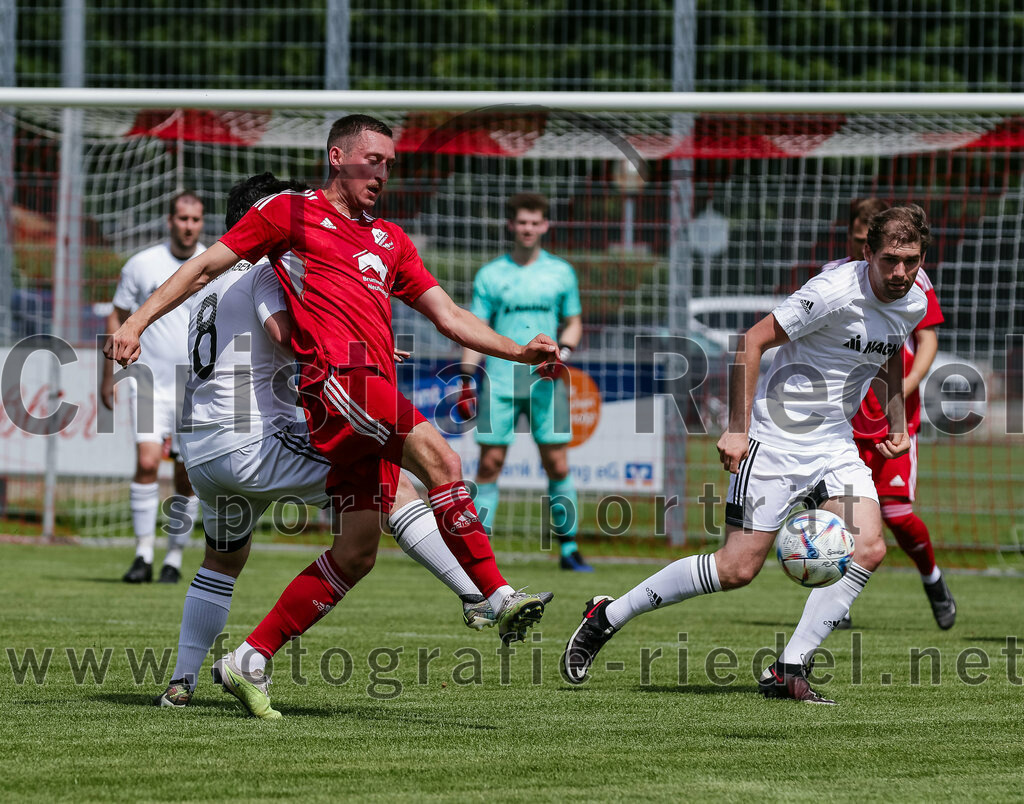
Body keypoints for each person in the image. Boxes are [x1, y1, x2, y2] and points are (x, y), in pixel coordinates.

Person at [107, 115, 559, 719]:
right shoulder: (282, 231)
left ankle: (231, 665)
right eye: (373, 158)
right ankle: (487, 593)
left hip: (206, 447)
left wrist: (518, 350)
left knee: (353, 548)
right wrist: (134, 322)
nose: (383, 171)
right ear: (337, 156)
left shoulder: (390, 240)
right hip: (311, 405)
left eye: (390, 162)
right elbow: (277, 322)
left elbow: (448, 315)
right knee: (433, 465)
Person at [563, 205, 931, 705]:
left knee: (868, 548)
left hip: (833, 445)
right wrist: (738, 429)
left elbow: (887, 351)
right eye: (890, 259)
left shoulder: (916, 296)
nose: (901, 272)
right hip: (774, 440)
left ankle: (789, 668)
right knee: (737, 569)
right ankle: (607, 615)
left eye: (911, 259)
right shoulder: (832, 293)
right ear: (867, 251)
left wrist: (893, 420)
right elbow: (750, 342)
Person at [831, 198, 955, 630]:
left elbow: (928, 341)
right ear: (857, 241)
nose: (896, 266)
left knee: (897, 515)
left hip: (893, 416)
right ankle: (837, 600)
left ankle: (933, 579)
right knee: (841, 512)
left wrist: (899, 389)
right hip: (842, 420)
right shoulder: (833, 280)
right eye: (861, 237)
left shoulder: (912, 282)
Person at [457, 192, 589, 570]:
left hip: (547, 381)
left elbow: (574, 321)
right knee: (489, 464)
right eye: (522, 222)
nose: (528, 228)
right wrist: (467, 378)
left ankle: (569, 549)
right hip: (499, 381)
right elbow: (476, 330)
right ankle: (479, 553)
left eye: (535, 222)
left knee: (558, 464)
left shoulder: (561, 272)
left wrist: (562, 355)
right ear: (511, 226)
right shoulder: (491, 274)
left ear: (545, 226)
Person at [101, 192, 204, 584]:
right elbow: (118, 315)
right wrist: (107, 374)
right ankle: (143, 554)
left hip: (195, 388)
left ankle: (174, 558)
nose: (188, 225)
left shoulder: (213, 262)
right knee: (146, 463)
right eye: (182, 217)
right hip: (147, 381)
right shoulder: (142, 264)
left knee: (186, 477)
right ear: (170, 220)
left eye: (195, 218)